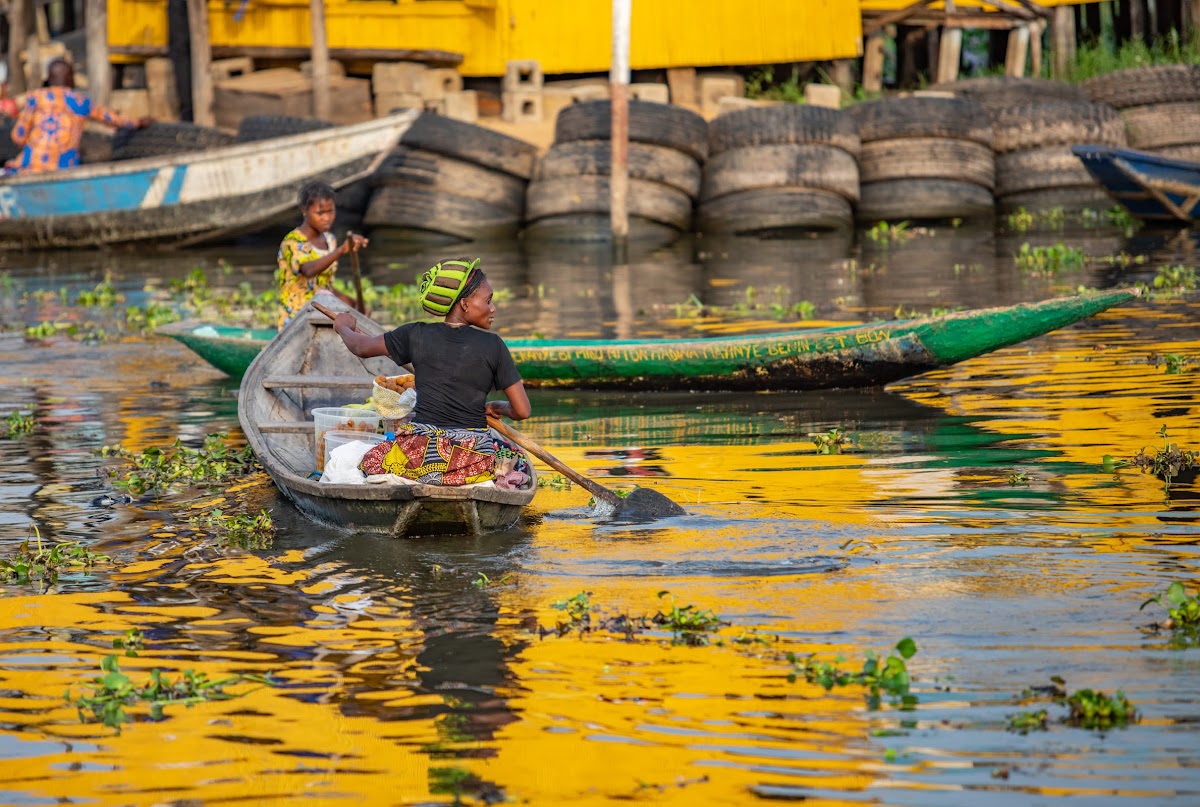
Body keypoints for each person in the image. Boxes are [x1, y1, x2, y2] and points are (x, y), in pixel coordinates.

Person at [330, 258, 532, 486]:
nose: (492, 308)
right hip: (472, 462)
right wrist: (498, 406)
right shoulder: (494, 345)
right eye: (488, 300)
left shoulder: (415, 334)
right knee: (508, 458)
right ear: (464, 304)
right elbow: (522, 410)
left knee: (372, 460)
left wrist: (343, 326)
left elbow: (361, 347)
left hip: (420, 458)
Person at [7, 58, 150, 174]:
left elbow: (18, 137)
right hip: (63, 170)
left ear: (48, 79)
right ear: (70, 79)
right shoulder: (79, 102)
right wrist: (137, 122)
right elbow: (110, 118)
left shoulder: (35, 98)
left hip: (30, 168)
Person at [277, 181, 367, 328]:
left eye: (330, 211)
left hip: (321, 315)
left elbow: (325, 286)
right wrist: (341, 251)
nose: (327, 218)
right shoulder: (292, 242)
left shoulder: (330, 240)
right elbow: (309, 271)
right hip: (296, 320)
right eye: (320, 213)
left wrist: (352, 304)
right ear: (304, 210)